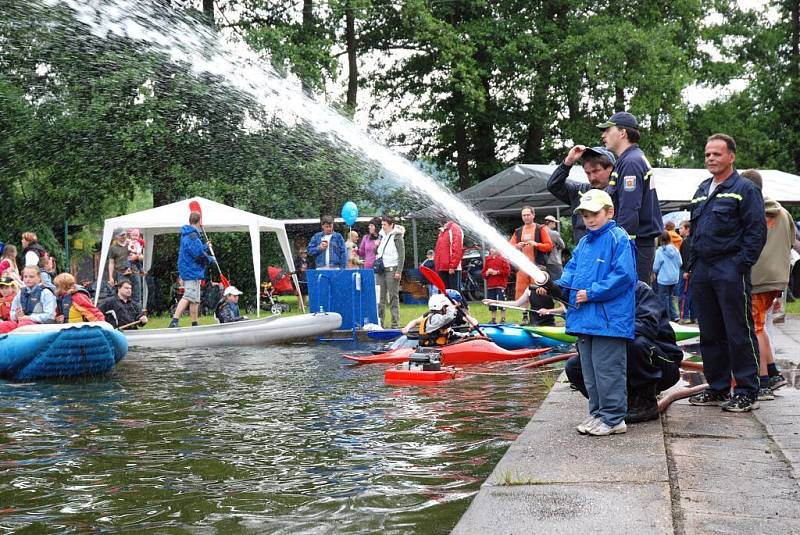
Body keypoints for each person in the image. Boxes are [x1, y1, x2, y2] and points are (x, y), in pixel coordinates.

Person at [687, 134, 767, 412]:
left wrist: (739, 266)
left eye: (717, 154)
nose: (710, 158)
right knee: (709, 332)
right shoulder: (701, 188)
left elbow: (756, 232)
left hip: (729, 268)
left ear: (731, 157)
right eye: (708, 154)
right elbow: (695, 230)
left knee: (738, 331)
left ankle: (746, 390)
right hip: (703, 270)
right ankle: (718, 387)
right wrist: (692, 266)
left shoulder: (744, 188)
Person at [555, 189, 637, 436]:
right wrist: (554, 287)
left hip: (608, 320)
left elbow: (624, 276)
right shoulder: (584, 242)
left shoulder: (618, 238)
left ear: (609, 212)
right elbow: (570, 270)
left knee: (608, 370)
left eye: (594, 214)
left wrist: (591, 293)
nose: (589, 219)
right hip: (585, 318)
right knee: (590, 371)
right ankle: (597, 413)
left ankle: (613, 418)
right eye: (585, 215)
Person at [565, 281, 683, 423]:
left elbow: (647, 326)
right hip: (618, 364)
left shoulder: (640, 290)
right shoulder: (592, 295)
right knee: (574, 366)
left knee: (634, 344)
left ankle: (646, 403)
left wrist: (608, 331)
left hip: (661, 362)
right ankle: (617, 404)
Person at [740, 169, 794, 400]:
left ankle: (761, 382)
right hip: (778, 278)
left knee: (755, 328)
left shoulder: (750, 210)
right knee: (761, 323)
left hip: (757, 276)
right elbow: (792, 241)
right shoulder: (783, 212)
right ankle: (772, 373)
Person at [597, 111, 664, 282]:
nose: (603, 135)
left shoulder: (631, 162)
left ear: (622, 133)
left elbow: (629, 208)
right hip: (638, 242)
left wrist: (621, 244)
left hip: (636, 244)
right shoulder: (630, 159)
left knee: (634, 297)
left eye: (607, 130)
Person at [546, 146, 616, 241]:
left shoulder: (622, 192)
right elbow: (553, 186)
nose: (592, 177)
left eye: (596, 171)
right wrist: (568, 161)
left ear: (610, 168)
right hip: (584, 253)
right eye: (588, 173)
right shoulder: (580, 191)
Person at [168, 212, 215, 328]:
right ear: (199, 221)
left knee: (195, 299)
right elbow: (198, 255)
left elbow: (195, 250)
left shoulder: (190, 235)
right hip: (191, 270)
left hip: (191, 270)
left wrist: (205, 246)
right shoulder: (192, 235)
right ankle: (174, 321)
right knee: (189, 295)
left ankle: (194, 323)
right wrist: (210, 259)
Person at [508, 206, 552, 303]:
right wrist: (517, 246)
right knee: (521, 290)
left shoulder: (540, 228)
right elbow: (509, 247)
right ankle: (524, 315)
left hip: (538, 266)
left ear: (533, 215)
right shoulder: (518, 231)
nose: (526, 217)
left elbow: (549, 246)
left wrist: (536, 244)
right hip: (522, 267)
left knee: (538, 290)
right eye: (524, 215)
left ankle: (539, 312)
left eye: (528, 215)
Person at [0, 266, 57, 333]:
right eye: (25, 277)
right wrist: (16, 315)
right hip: (22, 323)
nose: (28, 279)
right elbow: (12, 313)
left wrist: (29, 318)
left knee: (24, 325)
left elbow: (50, 316)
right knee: (3, 325)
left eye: (31, 277)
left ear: (39, 278)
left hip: (40, 325)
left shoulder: (46, 293)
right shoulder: (20, 293)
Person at [375, 215, 405, 329]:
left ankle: (395, 324)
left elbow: (402, 255)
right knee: (380, 297)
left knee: (393, 296)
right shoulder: (381, 236)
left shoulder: (397, 236)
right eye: (382, 224)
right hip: (381, 269)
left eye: (385, 225)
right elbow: (378, 252)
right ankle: (380, 322)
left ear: (391, 225)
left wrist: (399, 271)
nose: (383, 227)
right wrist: (376, 246)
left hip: (392, 269)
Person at [483, 283, 558, 327]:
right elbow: (517, 303)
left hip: (549, 326)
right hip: (534, 326)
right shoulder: (530, 289)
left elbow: (564, 308)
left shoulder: (552, 291)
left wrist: (548, 311)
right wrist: (494, 302)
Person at [652, 230, 682, 321]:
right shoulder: (675, 249)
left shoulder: (660, 251)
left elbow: (655, 266)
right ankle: (675, 316)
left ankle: (666, 317)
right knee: (672, 297)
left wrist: (655, 272)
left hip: (664, 279)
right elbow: (680, 263)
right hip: (674, 278)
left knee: (663, 298)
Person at [481, 247, 511, 323]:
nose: (491, 250)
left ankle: (503, 318)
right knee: (492, 302)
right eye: (491, 248)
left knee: (502, 302)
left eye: (494, 248)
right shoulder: (488, 260)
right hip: (491, 285)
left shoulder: (503, 259)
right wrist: (487, 273)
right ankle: (493, 319)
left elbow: (507, 272)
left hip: (500, 285)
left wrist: (497, 272)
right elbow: (483, 274)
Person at [434, 220, 464, 290]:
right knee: (446, 294)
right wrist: (438, 266)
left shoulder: (454, 228)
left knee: (454, 294)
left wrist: (453, 266)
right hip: (442, 267)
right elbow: (439, 250)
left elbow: (457, 248)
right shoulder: (443, 231)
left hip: (451, 268)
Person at [677, 221, 695, 323]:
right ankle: (694, 316)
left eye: (681, 228)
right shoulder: (693, 240)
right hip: (692, 270)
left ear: (687, 229)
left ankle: (684, 316)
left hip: (686, 271)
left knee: (684, 294)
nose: (679, 230)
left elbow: (687, 257)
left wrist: (687, 270)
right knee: (692, 294)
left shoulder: (687, 242)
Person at [126, 228, 145, 308]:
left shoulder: (138, 242)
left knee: (136, 293)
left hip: (135, 270)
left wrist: (136, 256)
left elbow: (142, 257)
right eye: (133, 235)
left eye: (136, 235)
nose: (135, 237)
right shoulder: (127, 242)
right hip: (122, 270)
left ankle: (138, 313)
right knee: (125, 292)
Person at [543, 215, 565, 280]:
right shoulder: (554, 233)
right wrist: (556, 247)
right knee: (560, 281)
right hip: (554, 261)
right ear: (550, 223)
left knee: (547, 283)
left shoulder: (540, 232)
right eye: (554, 222)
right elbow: (562, 245)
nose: (555, 224)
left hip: (543, 262)